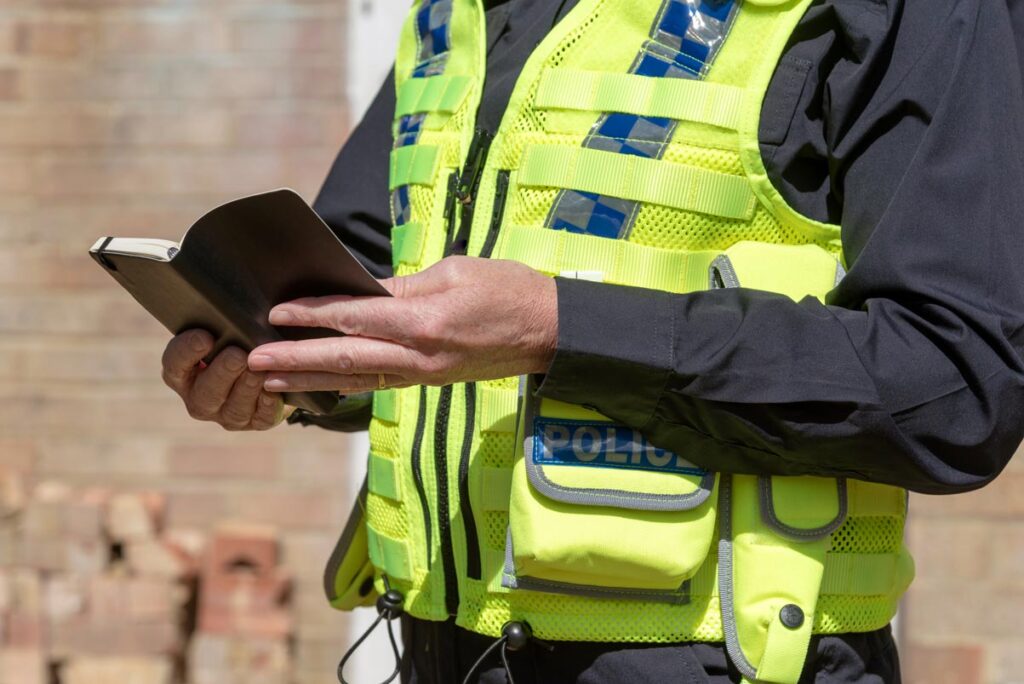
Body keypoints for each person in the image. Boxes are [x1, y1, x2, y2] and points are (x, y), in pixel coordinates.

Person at [159, 0, 1024, 681]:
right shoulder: (452, 12)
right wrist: (284, 367)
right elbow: (378, 279)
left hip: (725, 663)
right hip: (431, 647)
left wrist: (559, 330)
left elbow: (956, 381)